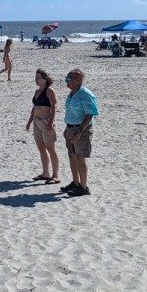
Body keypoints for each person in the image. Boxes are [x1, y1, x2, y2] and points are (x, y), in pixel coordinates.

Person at [60, 69, 98, 197]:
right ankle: (76, 182)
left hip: (81, 129)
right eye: (67, 78)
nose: (67, 81)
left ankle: (83, 186)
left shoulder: (85, 94)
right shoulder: (72, 93)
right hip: (71, 128)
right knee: (72, 155)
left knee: (81, 157)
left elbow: (91, 113)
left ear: (78, 80)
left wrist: (80, 131)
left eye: (69, 79)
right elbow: (71, 112)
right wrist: (67, 128)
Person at [26, 68, 59, 183]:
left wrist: (51, 121)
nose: (36, 80)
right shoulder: (37, 92)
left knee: (51, 148)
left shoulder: (49, 91)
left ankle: (55, 175)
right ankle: (45, 173)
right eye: (35, 78)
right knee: (41, 147)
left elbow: (54, 106)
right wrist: (30, 121)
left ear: (45, 79)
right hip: (36, 121)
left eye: (38, 78)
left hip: (46, 121)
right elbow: (34, 107)